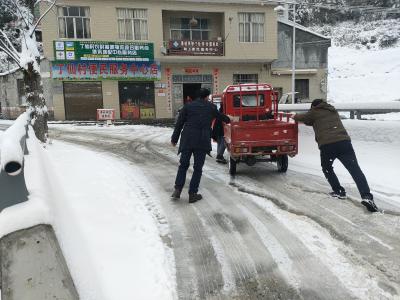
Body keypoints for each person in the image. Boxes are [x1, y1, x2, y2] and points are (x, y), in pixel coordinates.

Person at [293, 99, 378, 212]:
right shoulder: (332, 110)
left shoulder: (314, 112)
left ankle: (338, 191)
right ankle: (367, 197)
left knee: (327, 168)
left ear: (313, 106)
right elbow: (311, 121)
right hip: (344, 143)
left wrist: (294, 116)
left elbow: (303, 118)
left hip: (328, 145)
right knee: (355, 170)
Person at [171, 88, 230, 203]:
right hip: (202, 141)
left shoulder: (188, 106)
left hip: (187, 139)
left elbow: (179, 124)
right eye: (208, 97)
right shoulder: (211, 107)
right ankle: (192, 194)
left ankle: (177, 190)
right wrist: (230, 118)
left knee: (183, 165)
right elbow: (220, 117)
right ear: (206, 97)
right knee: (197, 168)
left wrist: (174, 139)